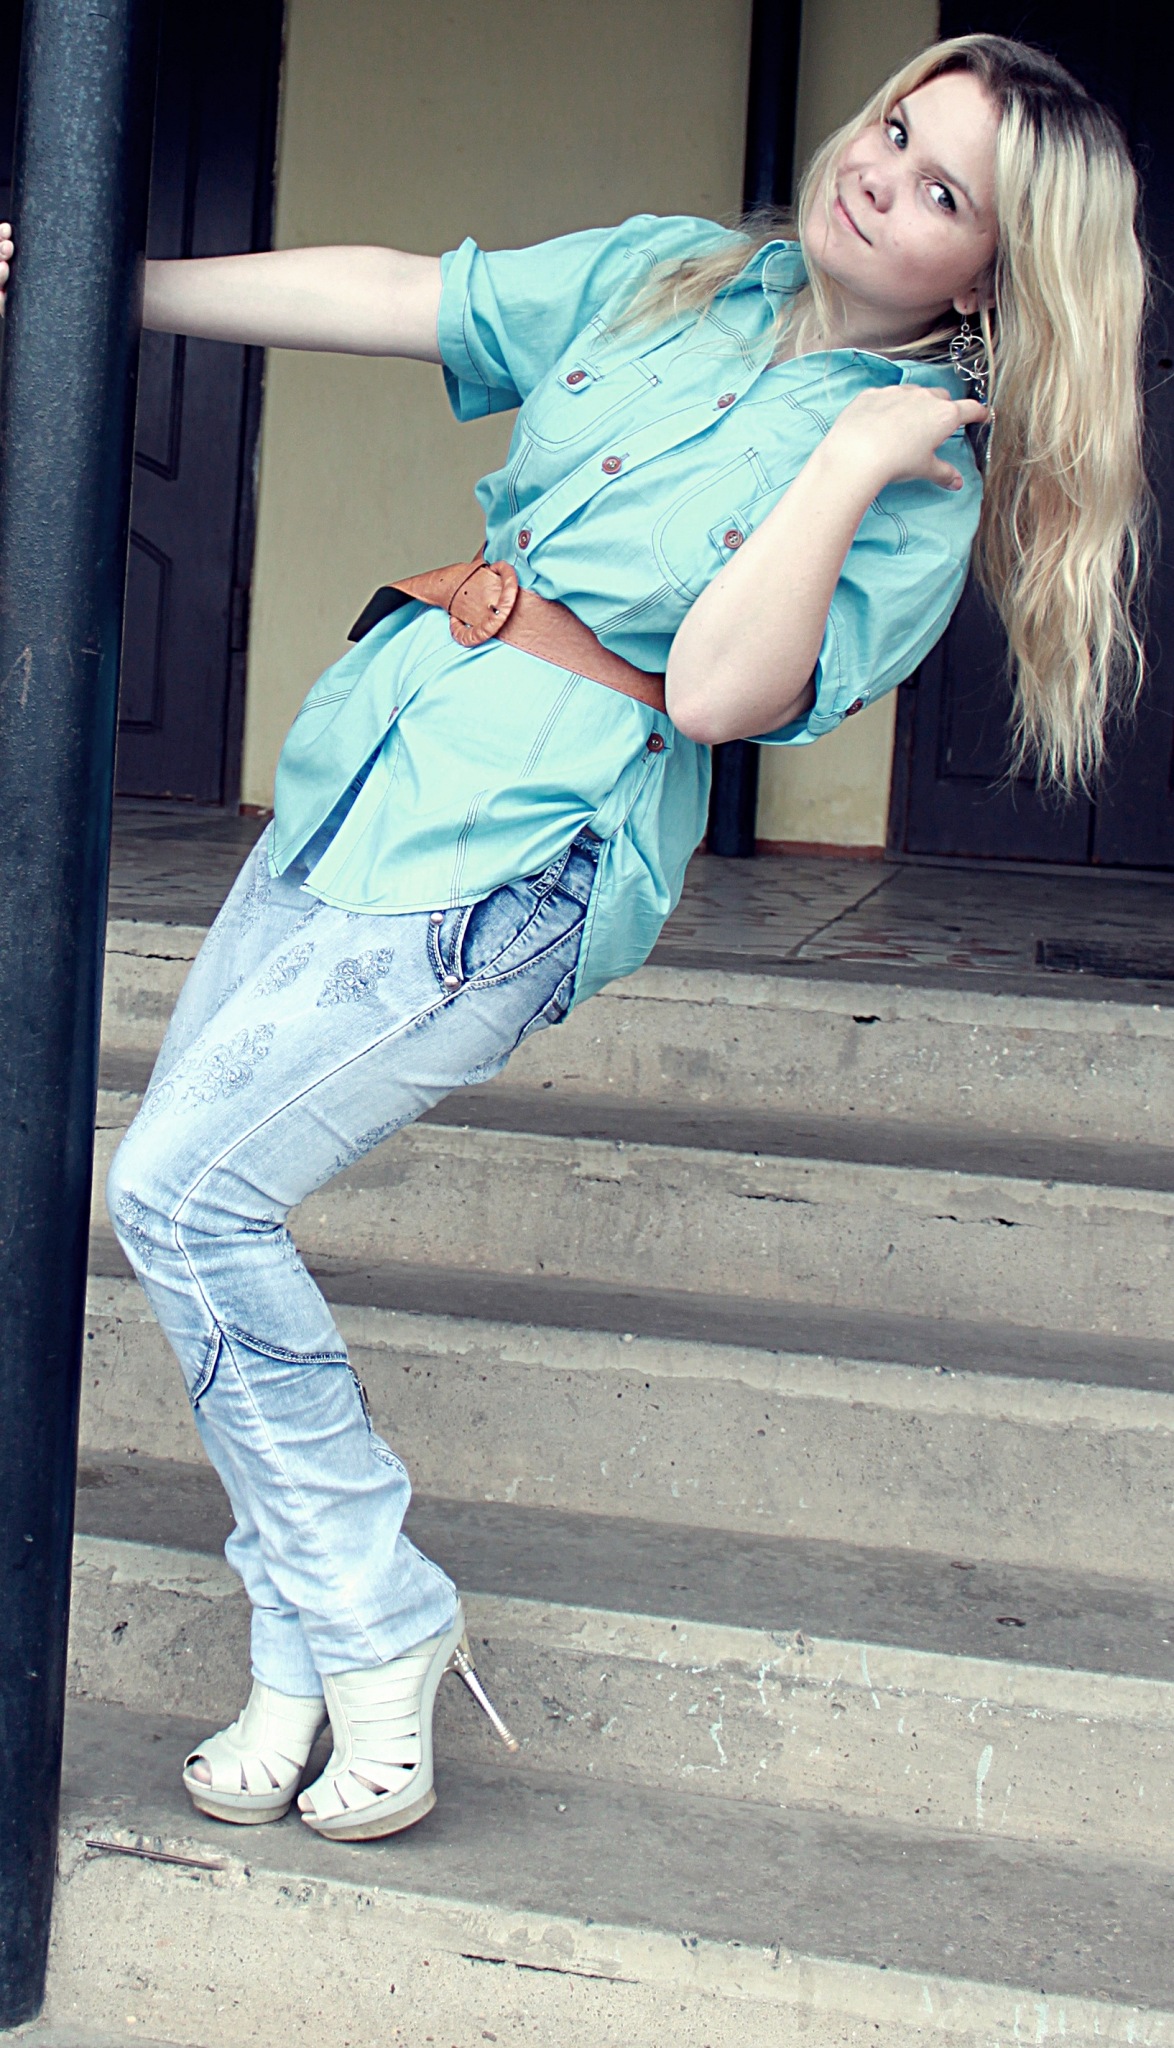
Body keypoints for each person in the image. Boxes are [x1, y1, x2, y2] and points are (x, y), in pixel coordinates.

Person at [0, 32, 1147, 1842]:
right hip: (361, 773)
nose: (877, 174)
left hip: (521, 855)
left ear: (994, 275)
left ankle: (376, 1609)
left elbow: (715, 695)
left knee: (181, 1194)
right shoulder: (673, 272)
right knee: (196, 1197)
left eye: (944, 192)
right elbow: (405, 293)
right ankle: (303, 1655)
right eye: (894, 128)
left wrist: (847, 456)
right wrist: (92, 277)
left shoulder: (917, 485)